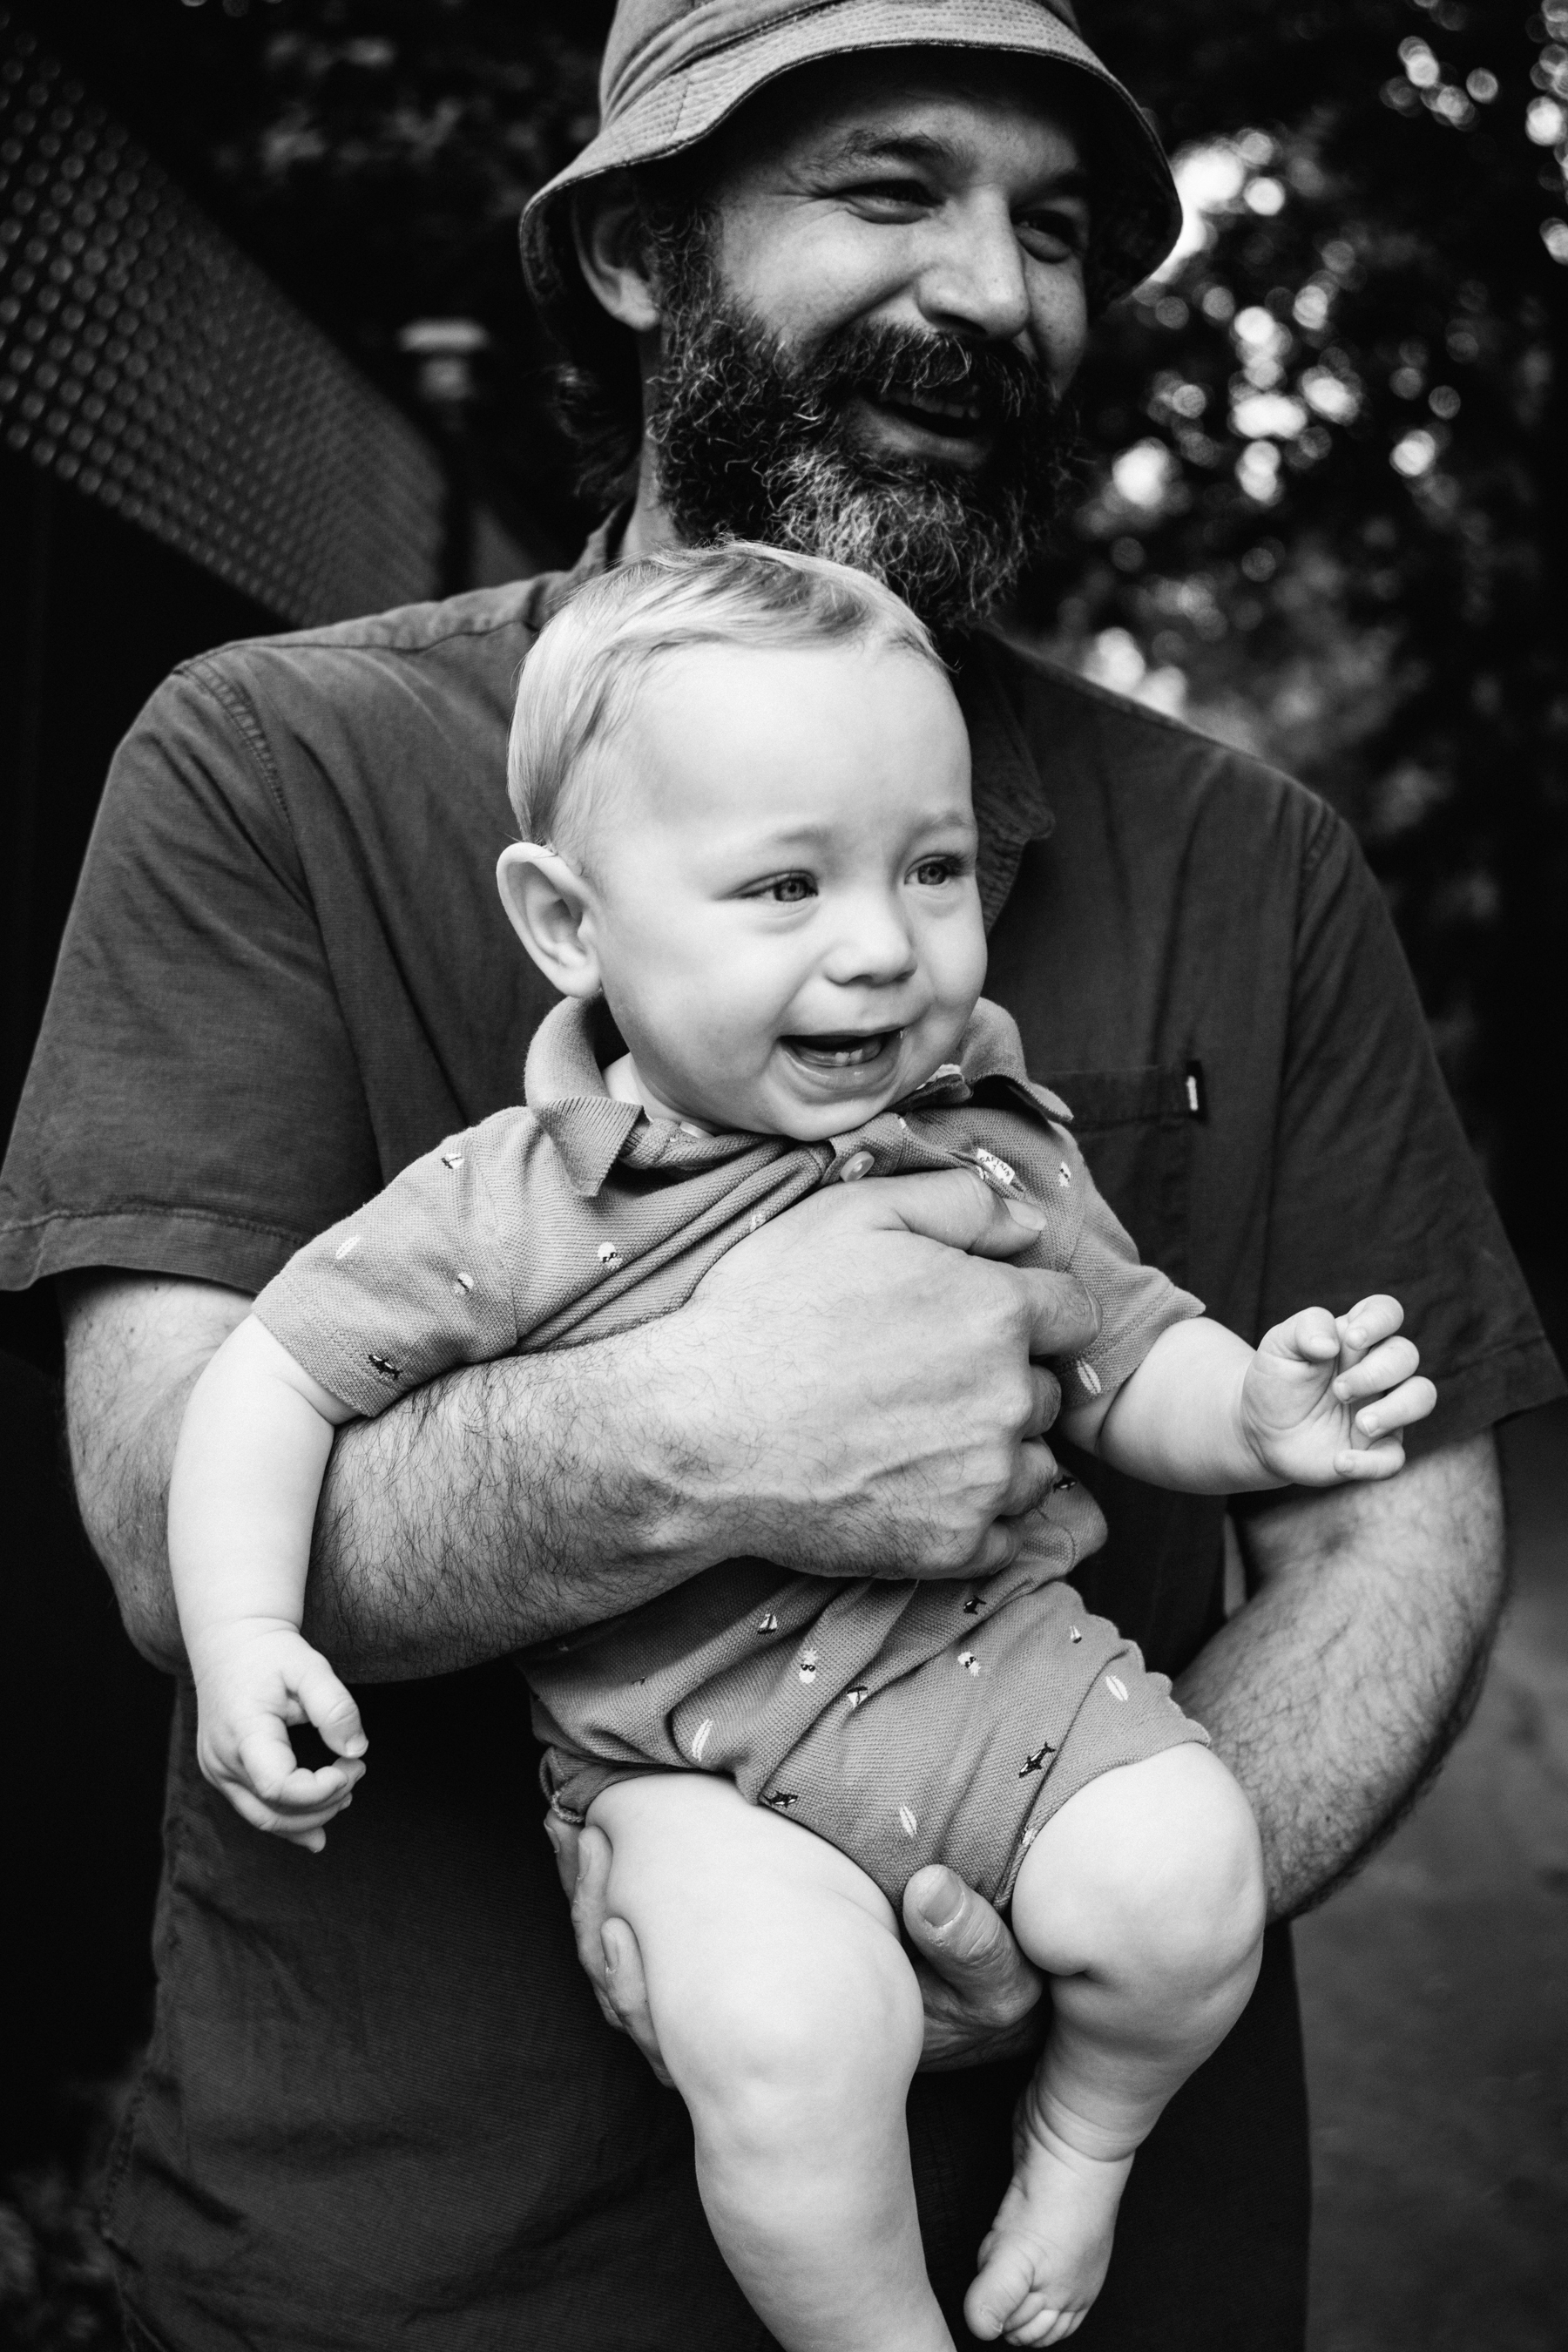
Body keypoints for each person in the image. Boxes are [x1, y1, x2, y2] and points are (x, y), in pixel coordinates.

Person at [0, 2, 1558, 2346]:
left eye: (1050, 228)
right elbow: (168, 1506)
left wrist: (1035, 1894)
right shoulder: (271, 768)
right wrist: (718, 1425)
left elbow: (1400, 1516)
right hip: (408, 2277)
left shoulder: (1254, 860)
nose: (993, 288)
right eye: (890, 186)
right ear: (639, 250)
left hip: (1096, 2268)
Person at [166, 543, 1434, 2351]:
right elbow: (270, 1379)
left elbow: (1121, 1347)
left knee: (1190, 1872)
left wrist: (1252, 1411)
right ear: (568, 921)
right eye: (783, 884)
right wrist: (244, 1630)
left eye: (930, 869)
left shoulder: (989, 1133)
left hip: (1003, 1684)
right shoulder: (521, 1199)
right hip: (689, 1766)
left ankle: (1084, 2148)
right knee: (789, 2041)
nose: (879, 946)